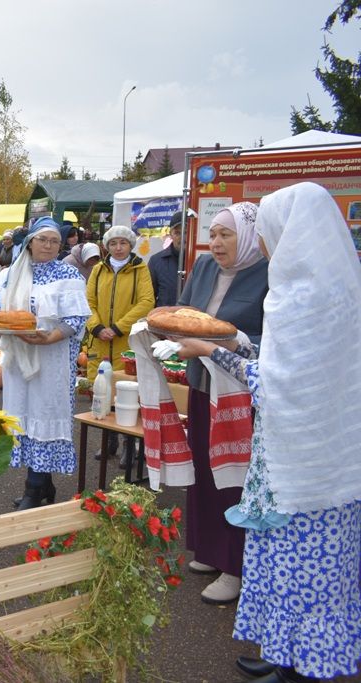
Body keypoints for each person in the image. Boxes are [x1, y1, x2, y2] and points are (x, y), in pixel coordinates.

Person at [176, 182, 361, 682]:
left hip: (302, 467)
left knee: (303, 570)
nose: (268, 246)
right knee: (295, 567)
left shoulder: (302, 300)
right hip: (327, 457)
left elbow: (276, 386)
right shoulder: (337, 287)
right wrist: (229, 348)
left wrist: (212, 351)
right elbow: (287, 368)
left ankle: (301, 668)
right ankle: (286, 653)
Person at [177, 202, 268, 605]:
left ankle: (235, 565)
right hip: (201, 384)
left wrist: (222, 344)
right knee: (204, 471)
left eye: (225, 235)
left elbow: (269, 345)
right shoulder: (204, 267)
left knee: (233, 479)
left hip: (240, 395)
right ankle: (209, 551)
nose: (215, 243)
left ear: (247, 236)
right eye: (212, 234)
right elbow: (183, 313)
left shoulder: (268, 275)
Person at [0, 217, 91, 510]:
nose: (48, 246)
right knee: (22, 413)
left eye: (54, 242)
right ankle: (43, 484)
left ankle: (34, 490)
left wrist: (50, 338)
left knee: (44, 417)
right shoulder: (12, 274)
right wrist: (8, 328)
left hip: (52, 361)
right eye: (42, 240)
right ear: (30, 242)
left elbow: (76, 319)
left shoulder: (68, 275)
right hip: (19, 358)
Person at [85, 225, 154, 377]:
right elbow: (88, 302)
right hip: (98, 341)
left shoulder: (140, 269)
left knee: (123, 391)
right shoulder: (98, 270)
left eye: (123, 243)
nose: (118, 248)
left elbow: (146, 302)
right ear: (107, 246)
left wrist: (117, 328)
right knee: (97, 390)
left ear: (130, 245)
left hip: (126, 341)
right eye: (113, 243)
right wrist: (96, 327)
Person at [148, 211, 189, 307]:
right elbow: (149, 297)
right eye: (177, 233)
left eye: (186, 232)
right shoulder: (156, 261)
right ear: (171, 234)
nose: (182, 237)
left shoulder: (201, 261)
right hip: (164, 318)